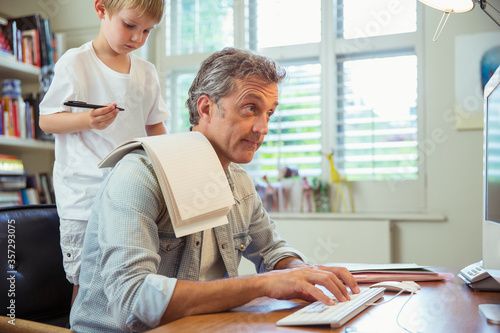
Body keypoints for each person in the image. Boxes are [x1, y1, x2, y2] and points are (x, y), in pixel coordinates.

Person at [70, 47, 359, 332]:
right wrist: (262, 285)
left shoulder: (240, 182)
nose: (263, 128)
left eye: (269, 113)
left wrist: (298, 271)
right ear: (206, 108)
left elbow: (272, 251)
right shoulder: (138, 175)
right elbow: (132, 301)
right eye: (251, 109)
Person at [38, 0, 170, 303]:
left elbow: (156, 130)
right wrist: (86, 120)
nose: (138, 38)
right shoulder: (75, 63)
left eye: (147, 31)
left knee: (129, 279)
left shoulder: (146, 73)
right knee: (86, 283)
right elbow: (46, 120)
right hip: (83, 199)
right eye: (130, 25)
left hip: (131, 197)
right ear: (101, 10)